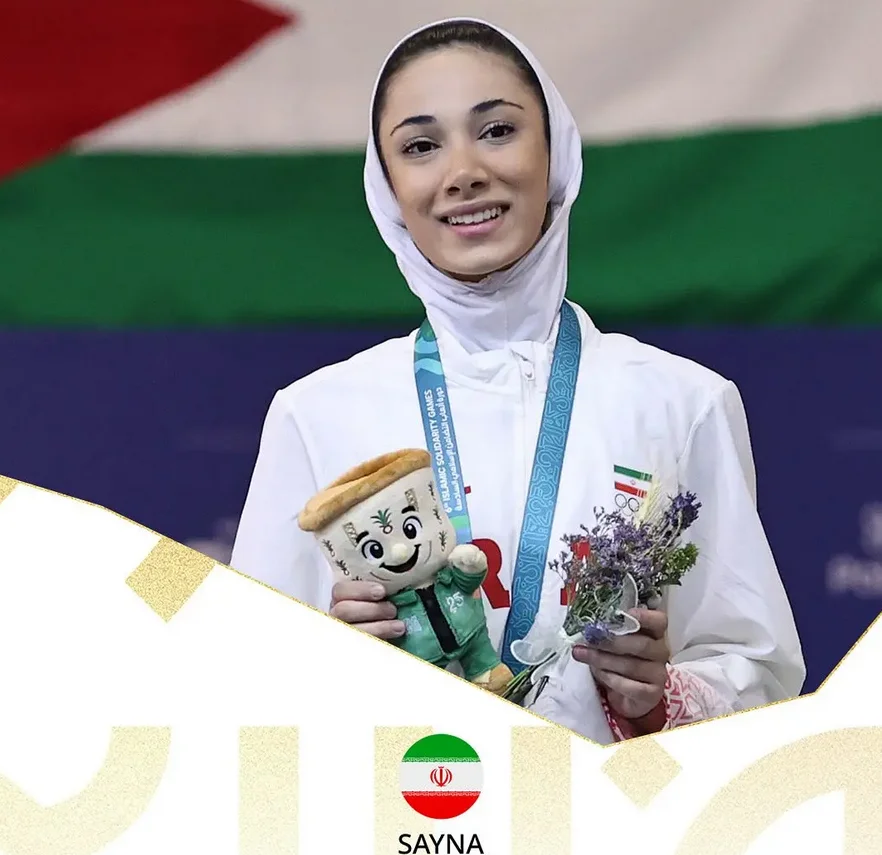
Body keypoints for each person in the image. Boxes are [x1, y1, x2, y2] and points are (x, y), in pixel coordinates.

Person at [230, 17, 805, 742]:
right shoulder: (314, 415)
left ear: (555, 153)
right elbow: (243, 696)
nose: (463, 172)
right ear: (388, 188)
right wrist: (337, 671)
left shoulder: (682, 402)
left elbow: (761, 677)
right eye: (420, 146)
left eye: (497, 131)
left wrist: (660, 698)